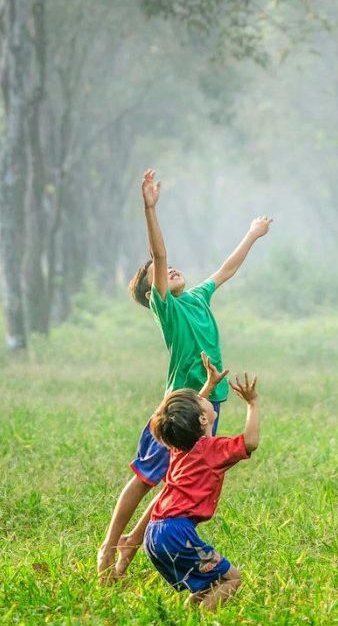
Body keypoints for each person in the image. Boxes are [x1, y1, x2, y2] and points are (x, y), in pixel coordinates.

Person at [97, 168, 271, 580]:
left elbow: (226, 269)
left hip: (209, 404)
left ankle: (126, 558)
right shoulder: (167, 308)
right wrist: (150, 208)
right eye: (158, 273)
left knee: (175, 485)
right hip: (178, 408)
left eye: (172, 267)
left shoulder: (196, 297)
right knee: (145, 478)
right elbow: (158, 255)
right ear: (150, 291)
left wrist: (252, 234)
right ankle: (109, 548)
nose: (170, 268)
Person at [144, 368, 260, 609]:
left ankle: (188, 616)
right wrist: (252, 403)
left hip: (154, 532)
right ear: (203, 419)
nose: (203, 397)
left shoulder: (180, 446)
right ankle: (202, 621)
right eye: (201, 399)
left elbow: (187, 418)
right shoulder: (212, 450)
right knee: (232, 579)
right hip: (177, 533)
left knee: (208, 584)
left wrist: (208, 386)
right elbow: (250, 442)